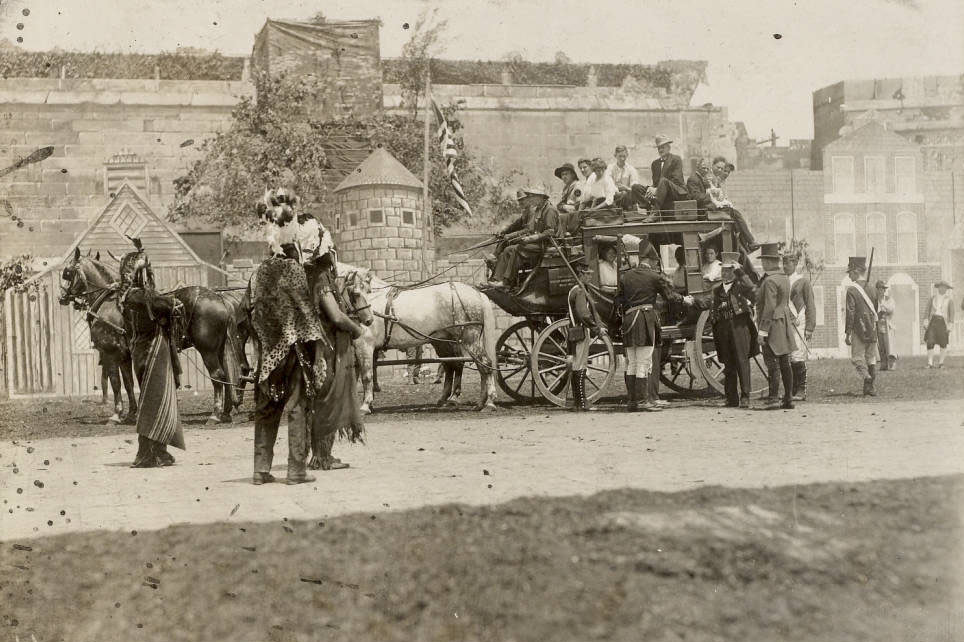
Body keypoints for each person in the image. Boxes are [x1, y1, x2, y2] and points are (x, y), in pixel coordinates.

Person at [250, 190, 329, 485]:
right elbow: (306, 313)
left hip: (266, 352)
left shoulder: (257, 274)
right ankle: (296, 471)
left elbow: (249, 310)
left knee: (266, 407)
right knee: (297, 407)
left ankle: (260, 470)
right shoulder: (294, 271)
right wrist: (319, 343)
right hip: (293, 349)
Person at [117, 241, 184, 468]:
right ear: (138, 274)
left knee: (155, 401)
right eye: (147, 271)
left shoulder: (136, 295)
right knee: (151, 402)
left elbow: (159, 302)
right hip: (148, 354)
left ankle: (159, 452)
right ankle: (145, 454)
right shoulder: (135, 295)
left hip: (148, 352)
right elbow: (161, 302)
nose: (149, 275)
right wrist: (172, 302)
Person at [305, 243, 366, 471]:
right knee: (328, 398)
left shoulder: (309, 275)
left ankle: (321, 455)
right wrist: (356, 329)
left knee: (321, 399)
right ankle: (322, 457)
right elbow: (336, 316)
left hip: (318, 344)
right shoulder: (320, 278)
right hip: (326, 346)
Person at [619, 250, 693, 411]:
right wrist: (684, 299)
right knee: (644, 362)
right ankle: (643, 401)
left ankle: (632, 401)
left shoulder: (626, 277)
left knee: (632, 362)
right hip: (645, 319)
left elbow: (618, 300)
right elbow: (670, 296)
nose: (656, 264)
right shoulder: (654, 276)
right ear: (650, 260)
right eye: (655, 261)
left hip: (629, 320)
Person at [700, 252, 759, 408]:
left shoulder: (741, 285)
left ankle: (745, 396)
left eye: (728, 270)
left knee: (742, 361)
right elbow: (706, 302)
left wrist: (741, 272)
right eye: (723, 270)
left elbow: (753, 291)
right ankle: (731, 398)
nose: (725, 273)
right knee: (728, 363)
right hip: (722, 328)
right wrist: (690, 301)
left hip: (739, 327)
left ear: (734, 271)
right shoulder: (716, 289)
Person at [489, 187, 560, 288]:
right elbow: (531, 229)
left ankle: (507, 282)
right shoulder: (539, 209)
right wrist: (524, 237)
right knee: (508, 249)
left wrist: (531, 238)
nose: (530, 199)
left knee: (517, 249)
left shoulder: (550, 210)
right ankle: (497, 279)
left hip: (548, 245)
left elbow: (550, 232)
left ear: (541, 197)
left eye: (532, 197)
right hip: (539, 243)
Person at [756, 243, 796, 409]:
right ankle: (788, 399)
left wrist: (762, 331)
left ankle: (773, 399)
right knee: (785, 362)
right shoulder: (784, 277)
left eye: (765, 260)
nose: (763, 263)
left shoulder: (770, 280)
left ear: (772, 261)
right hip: (784, 324)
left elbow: (769, 307)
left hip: (772, 325)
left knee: (772, 363)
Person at [566, 272, 607, 412]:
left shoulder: (574, 290)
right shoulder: (579, 291)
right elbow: (584, 314)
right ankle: (582, 403)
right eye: (587, 274)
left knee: (577, 365)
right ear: (580, 275)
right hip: (581, 332)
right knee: (580, 365)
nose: (590, 277)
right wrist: (596, 329)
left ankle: (578, 402)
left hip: (574, 331)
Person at [843, 256, 879, 396]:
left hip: (859, 328)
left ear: (857, 271)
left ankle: (867, 379)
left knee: (857, 358)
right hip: (872, 328)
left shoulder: (852, 290)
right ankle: (869, 388)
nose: (849, 275)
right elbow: (876, 309)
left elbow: (850, 312)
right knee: (871, 358)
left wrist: (848, 333)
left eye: (850, 272)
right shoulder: (873, 288)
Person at [707, 157, 759, 252]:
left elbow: (722, 198)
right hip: (714, 208)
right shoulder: (713, 179)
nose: (726, 174)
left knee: (737, 222)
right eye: (724, 171)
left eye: (728, 172)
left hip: (721, 207)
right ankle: (750, 242)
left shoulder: (722, 182)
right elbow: (714, 198)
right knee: (737, 215)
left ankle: (748, 244)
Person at [785, 250, 816, 400]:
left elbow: (810, 305)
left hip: (799, 321)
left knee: (797, 354)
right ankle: (791, 389)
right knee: (788, 356)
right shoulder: (782, 280)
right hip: (785, 322)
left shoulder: (803, 281)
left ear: (795, 264)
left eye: (788, 263)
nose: (785, 266)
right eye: (783, 263)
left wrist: (810, 327)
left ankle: (801, 390)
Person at [644, 136, 688, 218]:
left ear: (669, 147)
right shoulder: (655, 164)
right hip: (661, 193)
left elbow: (676, 180)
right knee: (636, 188)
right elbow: (656, 183)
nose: (660, 150)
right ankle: (649, 207)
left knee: (663, 181)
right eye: (659, 148)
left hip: (677, 191)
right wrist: (651, 188)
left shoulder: (676, 159)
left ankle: (655, 213)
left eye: (663, 147)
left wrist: (657, 190)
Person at [607, 145, 648, 211]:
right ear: (615, 155)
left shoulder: (631, 169)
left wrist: (626, 188)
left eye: (624, 156)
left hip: (627, 198)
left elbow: (635, 186)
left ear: (627, 155)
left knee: (625, 194)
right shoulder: (610, 168)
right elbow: (608, 183)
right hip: (613, 195)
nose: (622, 159)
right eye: (620, 156)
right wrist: (616, 189)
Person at [924, 281, 954, 369]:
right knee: (930, 341)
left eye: (944, 287)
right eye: (941, 287)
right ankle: (930, 363)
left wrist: (950, 325)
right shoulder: (932, 298)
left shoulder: (949, 300)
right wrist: (926, 321)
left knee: (943, 342)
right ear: (938, 288)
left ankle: (941, 363)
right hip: (933, 321)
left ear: (947, 289)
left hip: (943, 322)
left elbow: (951, 314)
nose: (942, 289)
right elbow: (927, 311)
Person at [875, 281, 897, 371]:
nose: (881, 291)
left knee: (890, 345)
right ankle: (883, 364)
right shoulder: (874, 300)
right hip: (878, 324)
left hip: (888, 324)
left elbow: (891, 309)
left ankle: (892, 364)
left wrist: (883, 306)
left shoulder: (889, 299)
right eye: (879, 289)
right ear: (877, 290)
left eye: (883, 289)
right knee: (881, 345)